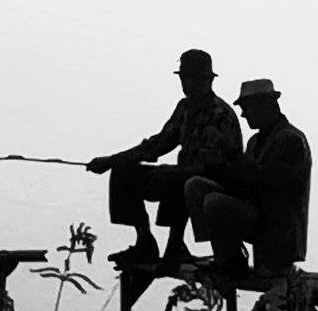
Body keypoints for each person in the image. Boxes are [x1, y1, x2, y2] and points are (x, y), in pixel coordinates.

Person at [87, 49, 243, 266]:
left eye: (191, 78)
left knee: (178, 178)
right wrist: (113, 160)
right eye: (184, 78)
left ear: (207, 80)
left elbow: (215, 166)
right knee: (125, 171)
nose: (186, 83)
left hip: (214, 184)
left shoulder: (221, 114)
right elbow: (160, 143)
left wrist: (173, 171)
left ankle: (174, 246)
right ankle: (144, 241)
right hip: (184, 175)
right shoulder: (184, 107)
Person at [184, 77, 311, 279]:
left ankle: (231, 260)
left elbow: (264, 185)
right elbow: (245, 183)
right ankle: (227, 256)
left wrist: (231, 157)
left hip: (278, 226)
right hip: (258, 215)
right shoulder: (255, 142)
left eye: (246, 108)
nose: (243, 114)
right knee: (196, 186)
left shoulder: (291, 140)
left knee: (215, 202)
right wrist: (217, 166)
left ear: (264, 105)